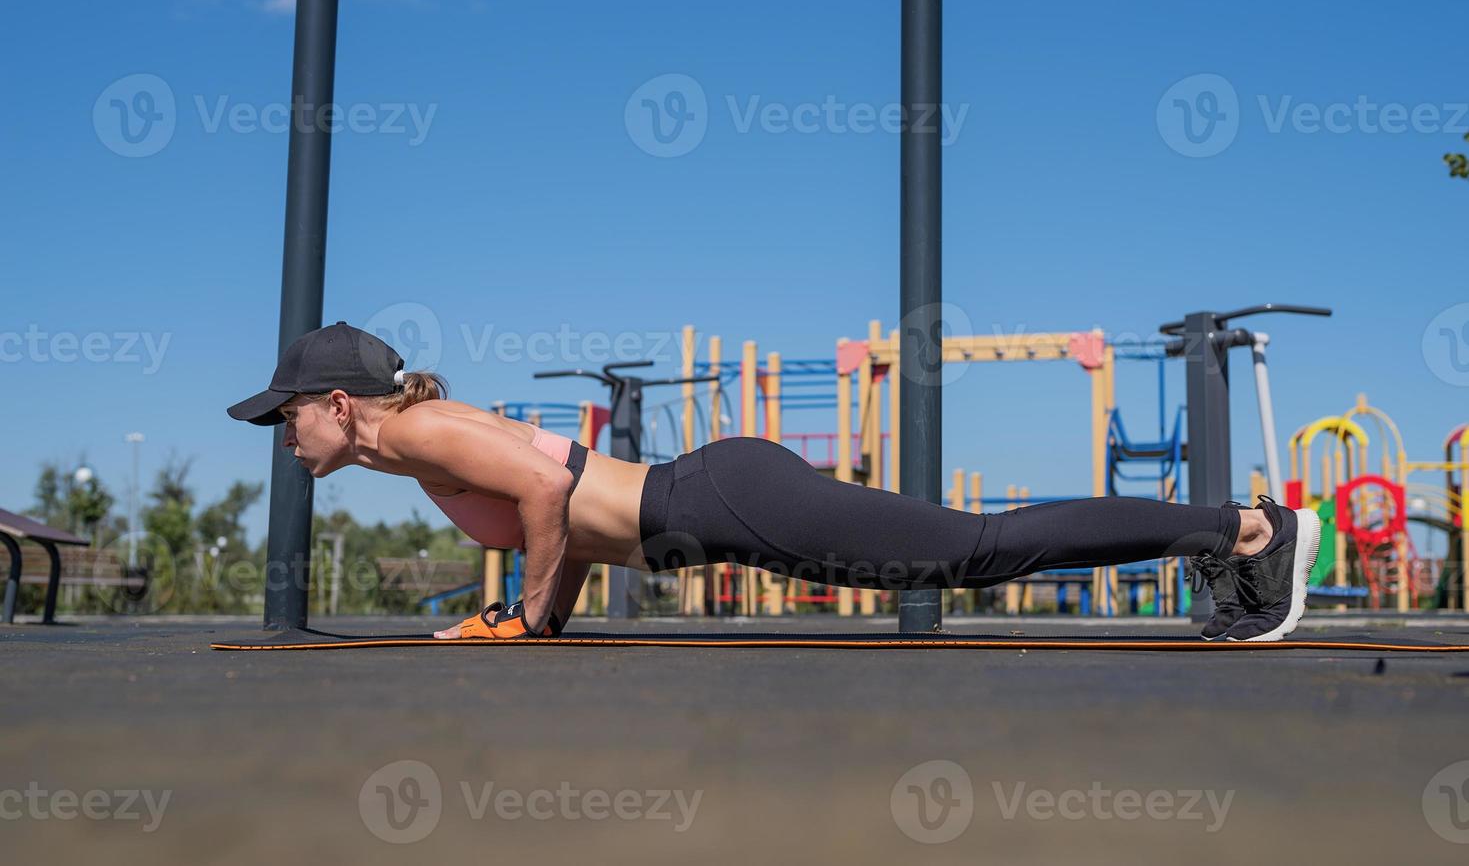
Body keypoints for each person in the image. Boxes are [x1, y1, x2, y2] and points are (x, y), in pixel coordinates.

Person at [228, 323, 1321, 643]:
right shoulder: (405, 446)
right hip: (713, 506)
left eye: (286, 415)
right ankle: (1233, 534)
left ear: (337, 403)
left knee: (977, 549)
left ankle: (1242, 531)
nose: (281, 434)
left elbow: (547, 494)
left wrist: (525, 617)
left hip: (718, 501)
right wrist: (520, 617)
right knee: (976, 552)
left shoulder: (422, 429)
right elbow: (547, 498)